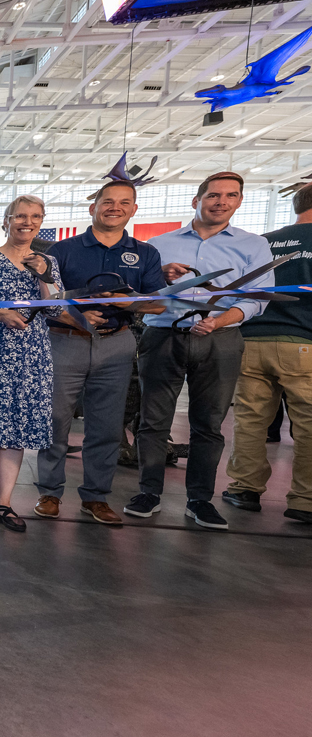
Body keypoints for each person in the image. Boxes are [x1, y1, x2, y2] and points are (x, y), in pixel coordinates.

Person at [125, 171, 274, 528]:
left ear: (239, 201)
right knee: (152, 420)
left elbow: (258, 298)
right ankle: (149, 492)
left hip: (221, 340)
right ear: (197, 201)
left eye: (230, 195)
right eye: (213, 195)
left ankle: (199, 499)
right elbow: (137, 294)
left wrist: (221, 321)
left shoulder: (254, 246)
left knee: (208, 423)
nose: (221, 201)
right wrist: (160, 274)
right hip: (163, 337)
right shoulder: (158, 244)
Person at [34, 181, 166, 525]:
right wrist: (77, 314)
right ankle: (49, 491)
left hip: (116, 343)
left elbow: (160, 304)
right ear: (93, 207)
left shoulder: (146, 253)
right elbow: (47, 298)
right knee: (56, 420)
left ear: (133, 210)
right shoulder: (61, 251)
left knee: (106, 426)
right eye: (107, 201)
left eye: (124, 202)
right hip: (64, 341)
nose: (114, 207)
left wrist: (130, 303)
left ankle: (95, 496)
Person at [0, 195, 63, 532]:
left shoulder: (48, 262)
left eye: (35, 216)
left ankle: (2, 503)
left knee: (15, 430)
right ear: (6, 221)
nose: (27, 222)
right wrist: (1, 313)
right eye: (20, 215)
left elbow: (55, 310)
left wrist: (44, 277)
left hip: (28, 356)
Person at [223, 183, 312, 522]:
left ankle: (244, 488)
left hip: (251, 339)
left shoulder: (263, 241)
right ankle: (305, 500)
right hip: (304, 343)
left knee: (249, 419)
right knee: (308, 424)